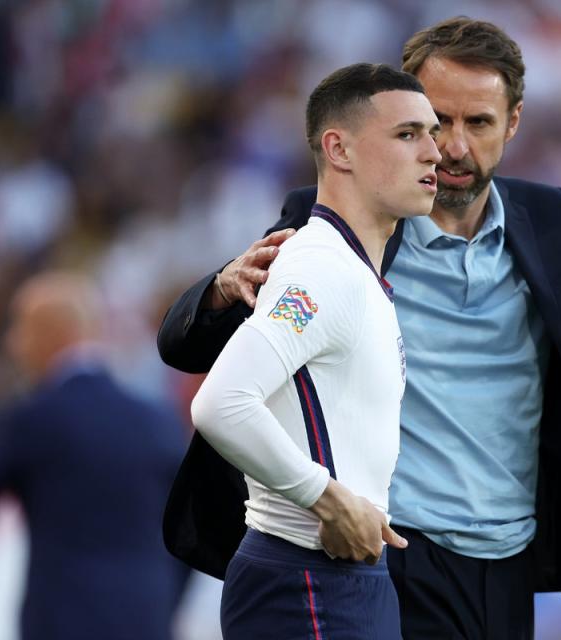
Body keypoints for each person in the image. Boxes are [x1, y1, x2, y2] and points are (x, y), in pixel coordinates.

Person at [159, 17, 561, 640]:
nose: (450, 146)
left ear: (513, 124)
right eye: (433, 121)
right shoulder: (342, 228)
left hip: (506, 562)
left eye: (476, 123)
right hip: (389, 552)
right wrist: (224, 286)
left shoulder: (552, 223)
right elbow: (193, 350)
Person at [188, 62, 441, 639]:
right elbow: (221, 402)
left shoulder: (353, 270)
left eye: (431, 132)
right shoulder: (321, 269)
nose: (435, 152)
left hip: (343, 577)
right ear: (339, 149)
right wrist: (327, 500)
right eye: (408, 134)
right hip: (306, 576)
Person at [0, 271, 187, 640]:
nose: (12, 344)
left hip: (62, 621)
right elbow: (190, 530)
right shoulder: (158, 421)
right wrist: (159, 599)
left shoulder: (33, 419)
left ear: (49, 331)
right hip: (147, 619)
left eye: (18, 328)